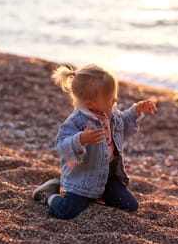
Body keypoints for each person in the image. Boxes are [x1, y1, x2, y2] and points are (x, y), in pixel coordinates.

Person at [33, 64, 157, 220]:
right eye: (110, 98)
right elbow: (61, 145)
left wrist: (136, 111)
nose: (115, 99)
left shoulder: (110, 114)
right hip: (83, 180)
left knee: (130, 206)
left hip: (107, 176)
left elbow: (123, 125)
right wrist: (81, 139)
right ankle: (50, 195)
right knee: (67, 212)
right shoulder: (77, 121)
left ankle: (97, 194)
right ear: (90, 104)